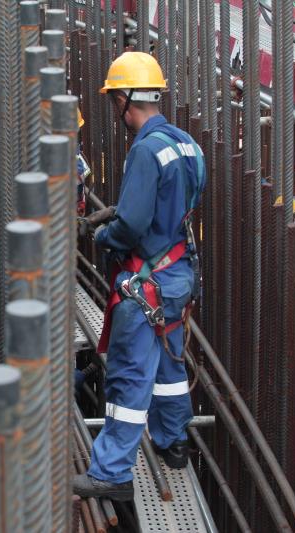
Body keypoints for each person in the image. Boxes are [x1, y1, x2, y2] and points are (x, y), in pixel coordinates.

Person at [72, 51, 206, 501]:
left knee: (129, 376)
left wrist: (101, 235)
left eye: (115, 101)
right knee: (168, 365)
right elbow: (182, 206)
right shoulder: (188, 145)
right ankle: (174, 444)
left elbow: (131, 224)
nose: (116, 111)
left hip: (144, 285)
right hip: (177, 277)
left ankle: (112, 472)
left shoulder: (146, 150)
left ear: (126, 100)